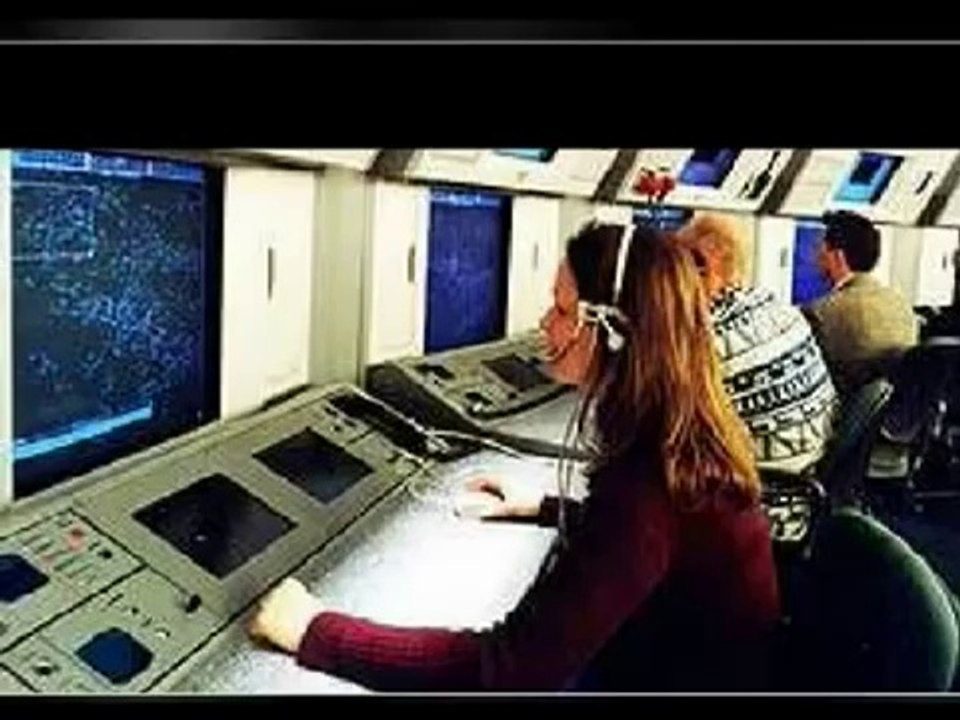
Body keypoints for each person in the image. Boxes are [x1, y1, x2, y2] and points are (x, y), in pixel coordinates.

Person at [248, 223, 780, 691]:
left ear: (614, 333)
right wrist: (544, 507)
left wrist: (317, 632)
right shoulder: (673, 436)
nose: (545, 323)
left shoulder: (645, 484)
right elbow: (644, 546)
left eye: (563, 309)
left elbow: (508, 671)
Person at [675, 213, 837, 476]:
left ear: (699, 270)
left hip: (761, 486)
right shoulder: (782, 309)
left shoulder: (707, 337)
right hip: (810, 468)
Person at [804, 210, 918, 398]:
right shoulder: (902, 305)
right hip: (893, 412)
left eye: (821, 249)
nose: (817, 256)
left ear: (837, 257)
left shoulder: (821, 313)